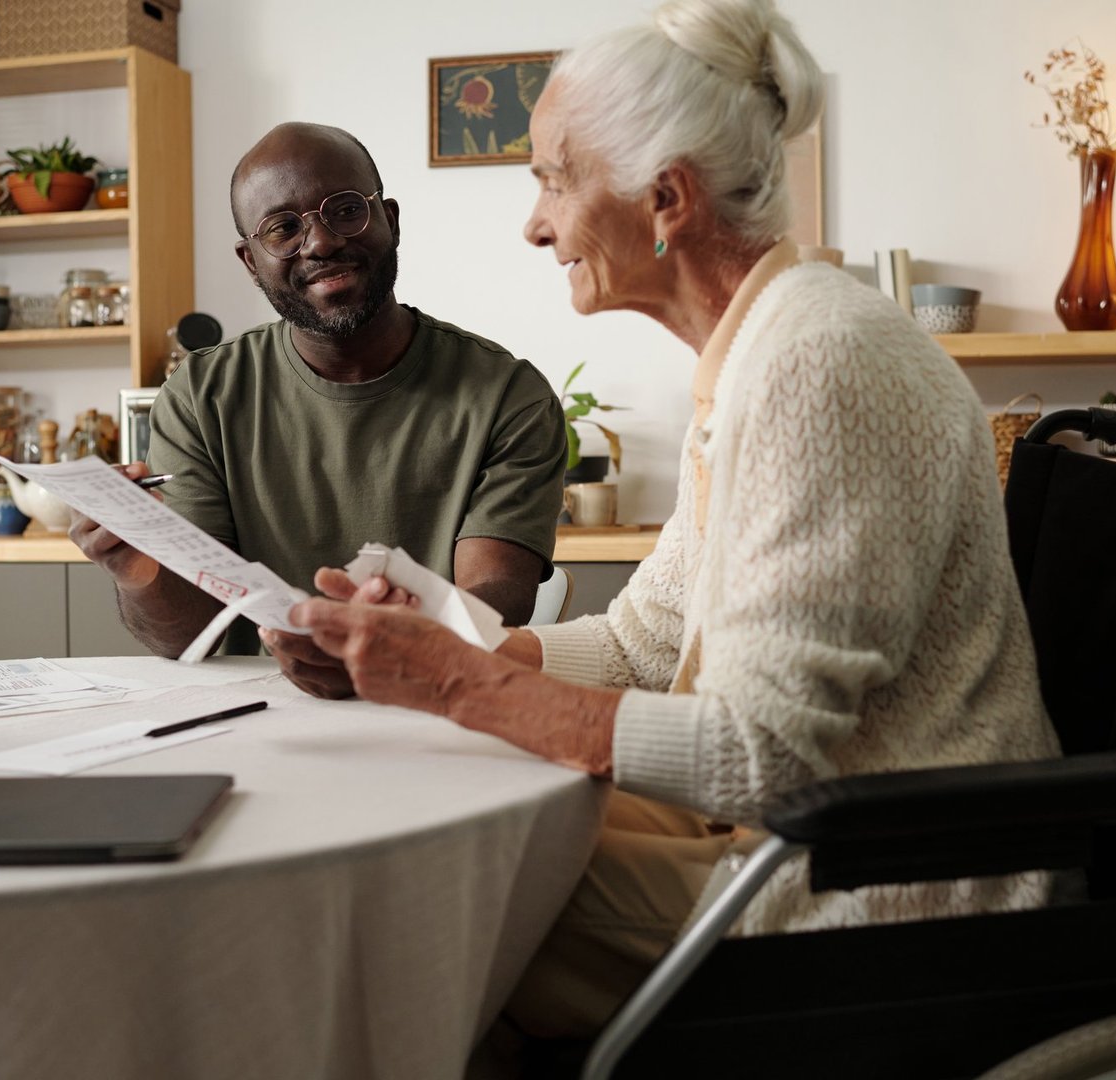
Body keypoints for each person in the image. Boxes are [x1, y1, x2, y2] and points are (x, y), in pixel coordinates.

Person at [290, 0, 1063, 1038]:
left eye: (553, 179)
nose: (534, 223)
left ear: (665, 198)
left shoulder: (818, 362)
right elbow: (644, 641)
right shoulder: (757, 355)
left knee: (420, 893)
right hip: (788, 831)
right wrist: (459, 652)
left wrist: (456, 685)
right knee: (430, 829)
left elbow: (760, 756)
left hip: (884, 885)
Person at [70, 123, 567, 697]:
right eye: (282, 228)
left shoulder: (506, 394)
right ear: (251, 262)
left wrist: (382, 648)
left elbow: (495, 597)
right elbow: (186, 634)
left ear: (392, 222)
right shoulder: (201, 397)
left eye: (346, 210)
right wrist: (138, 570)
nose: (322, 242)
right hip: (259, 717)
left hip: (437, 700)